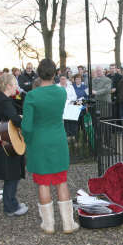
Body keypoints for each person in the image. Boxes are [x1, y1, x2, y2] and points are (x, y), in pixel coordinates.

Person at [22, 58, 79, 234]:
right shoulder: (61, 93)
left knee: (43, 183)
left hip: (39, 142)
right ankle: (68, 224)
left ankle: (49, 225)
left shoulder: (32, 96)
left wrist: (27, 140)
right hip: (58, 140)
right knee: (61, 181)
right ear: (54, 74)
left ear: (38, 74)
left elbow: (27, 126)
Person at [0, 74, 28, 216]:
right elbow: (15, 120)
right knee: (11, 174)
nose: (17, 87)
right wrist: (24, 120)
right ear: (8, 86)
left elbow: (11, 116)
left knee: (12, 174)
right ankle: (11, 207)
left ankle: (12, 203)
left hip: (6, 139)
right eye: (15, 84)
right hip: (6, 141)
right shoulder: (4, 101)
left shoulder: (1, 99)